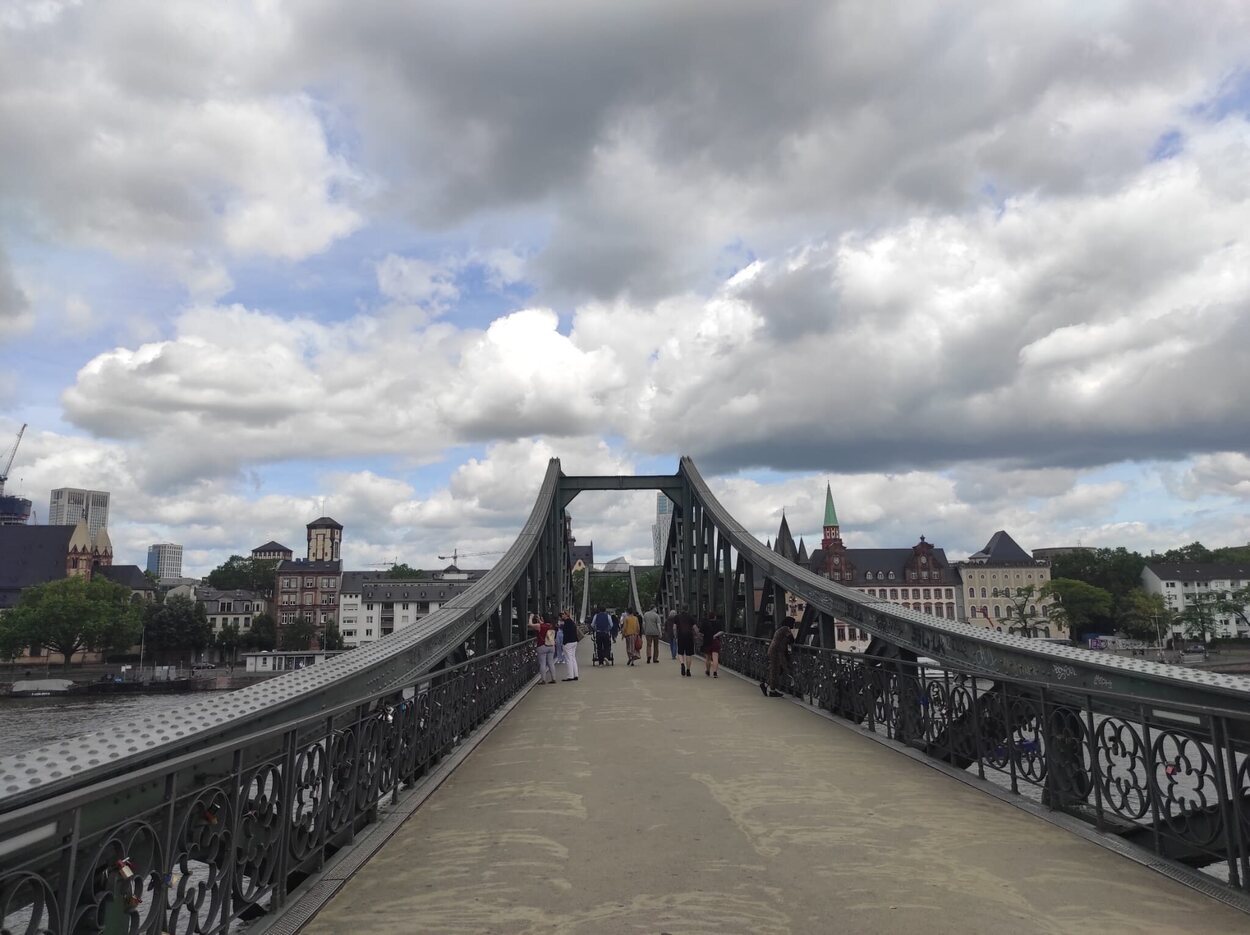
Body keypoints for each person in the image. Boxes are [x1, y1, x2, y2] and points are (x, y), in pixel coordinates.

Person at [761, 616, 797, 697]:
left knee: (779, 670)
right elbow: (791, 639)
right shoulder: (785, 629)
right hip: (776, 652)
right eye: (793, 623)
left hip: (775, 651)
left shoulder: (780, 629)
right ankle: (771, 690)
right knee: (775, 670)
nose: (794, 625)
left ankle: (766, 685)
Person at [527, 612, 558, 684]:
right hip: (551, 646)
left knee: (542, 663)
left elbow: (530, 625)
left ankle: (543, 680)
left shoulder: (539, 626)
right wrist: (539, 619)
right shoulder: (551, 626)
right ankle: (554, 678)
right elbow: (544, 624)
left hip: (542, 646)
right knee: (551, 663)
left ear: (542, 618)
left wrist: (531, 617)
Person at [673, 607, 697, 677]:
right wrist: (697, 635)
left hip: (680, 636)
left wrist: (675, 636)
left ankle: (682, 664)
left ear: (681, 609)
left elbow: (674, 628)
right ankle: (688, 670)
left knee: (680, 652)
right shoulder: (691, 617)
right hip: (689, 636)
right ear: (687, 609)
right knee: (688, 654)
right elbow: (695, 628)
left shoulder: (677, 617)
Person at [560, 609, 581, 681]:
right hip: (574, 641)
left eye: (563, 614)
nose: (562, 615)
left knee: (568, 659)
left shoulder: (566, 623)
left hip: (568, 643)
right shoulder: (572, 622)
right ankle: (576, 674)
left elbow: (566, 634)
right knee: (573, 658)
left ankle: (570, 676)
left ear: (566, 615)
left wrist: (564, 643)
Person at [702, 612, 723, 678]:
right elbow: (721, 631)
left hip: (707, 641)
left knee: (708, 658)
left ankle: (708, 671)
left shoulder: (705, 623)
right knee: (715, 657)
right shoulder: (718, 623)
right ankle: (715, 673)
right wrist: (715, 635)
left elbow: (701, 632)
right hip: (715, 641)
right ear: (715, 617)